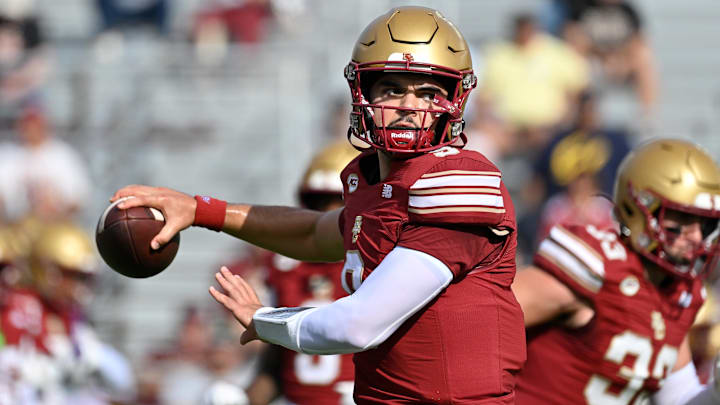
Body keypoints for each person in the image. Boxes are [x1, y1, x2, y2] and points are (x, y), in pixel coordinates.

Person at [111, 6, 525, 404]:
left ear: (454, 100)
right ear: (362, 92)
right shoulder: (377, 183)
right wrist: (201, 210)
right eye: (392, 88)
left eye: (428, 92)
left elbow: (358, 325)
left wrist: (263, 319)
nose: (408, 106)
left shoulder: (458, 182)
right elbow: (313, 232)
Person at [512, 139, 720, 404]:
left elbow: (679, 398)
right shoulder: (598, 265)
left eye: (705, 224)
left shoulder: (678, 293)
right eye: (681, 218)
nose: (696, 236)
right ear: (640, 208)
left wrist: (716, 393)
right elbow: (482, 318)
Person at [244, 139, 358, 405]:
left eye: (339, 204)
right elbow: (276, 361)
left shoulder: (375, 260)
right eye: (318, 202)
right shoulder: (284, 265)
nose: (327, 215)